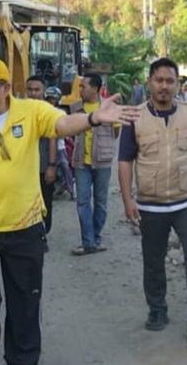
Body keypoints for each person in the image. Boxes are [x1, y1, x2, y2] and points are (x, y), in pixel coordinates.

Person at [0, 56, 139, 365]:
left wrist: (93, 119)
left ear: (6, 87)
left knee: (25, 302)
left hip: (25, 227)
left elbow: (62, 124)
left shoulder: (30, 111)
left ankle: (22, 358)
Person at [118, 57, 187, 344]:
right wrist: (128, 199)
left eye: (169, 81)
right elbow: (125, 161)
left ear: (177, 84)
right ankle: (157, 310)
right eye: (159, 80)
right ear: (149, 82)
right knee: (153, 262)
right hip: (151, 205)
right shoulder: (135, 118)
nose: (164, 86)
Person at [71, 73, 119, 255]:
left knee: (100, 203)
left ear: (96, 89)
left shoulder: (110, 108)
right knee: (83, 202)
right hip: (81, 162)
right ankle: (89, 242)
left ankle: (95, 238)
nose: (80, 89)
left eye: (84, 86)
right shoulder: (76, 108)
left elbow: (116, 133)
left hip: (103, 161)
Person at [26, 76, 58, 234]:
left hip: (43, 165)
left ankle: (44, 232)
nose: (33, 93)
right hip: (24, 167)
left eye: (37, 90)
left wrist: (51, 166)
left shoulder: (48, 111)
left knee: (45, 201)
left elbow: (52, 138)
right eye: (30, 90)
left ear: (44, 92)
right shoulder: (21, 110)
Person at [45, 86, 75, 200]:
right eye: (49, 99)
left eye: (53, 99)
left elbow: (63, 130)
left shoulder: (61, 112)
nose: (51, 101)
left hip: (60, 146)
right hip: (45, 146)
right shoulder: (43, 110)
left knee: (64, 165)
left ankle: (71, 190)